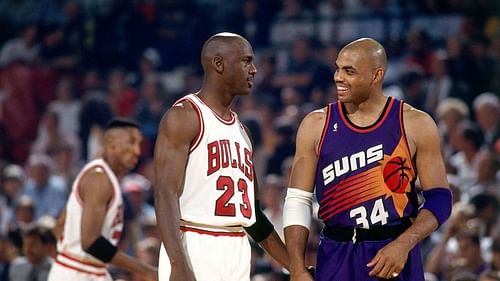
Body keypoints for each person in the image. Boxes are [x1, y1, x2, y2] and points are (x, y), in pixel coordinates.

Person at [283, 38, 452, 281]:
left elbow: (440, 198)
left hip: (393, 252)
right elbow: (298, 199)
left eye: (349, 71)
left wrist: (405, 243)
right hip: (335, 251)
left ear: (376, 75)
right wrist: (297, 268)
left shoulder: (415, 123)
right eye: (337, 68)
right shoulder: (315, 124)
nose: (338, 77)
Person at [154, 32, 289, 281]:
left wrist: (296, 267)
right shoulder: (185, 115)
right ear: (218, 64)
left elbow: (254, 218)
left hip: (236, 248)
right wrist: (178, 263)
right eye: (246, 61)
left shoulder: (243, 131)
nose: (254, 70)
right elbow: (164, 193)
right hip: (194, 244)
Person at [47, 118, 157, 281]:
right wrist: (146, 270)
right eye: (131, 143)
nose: (137, 151)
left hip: (85, 270)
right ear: (111, 144)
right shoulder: (99, 178)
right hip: (79, 272)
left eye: (139, 144)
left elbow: (60, 227)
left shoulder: (104, 178)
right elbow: (91, 243)